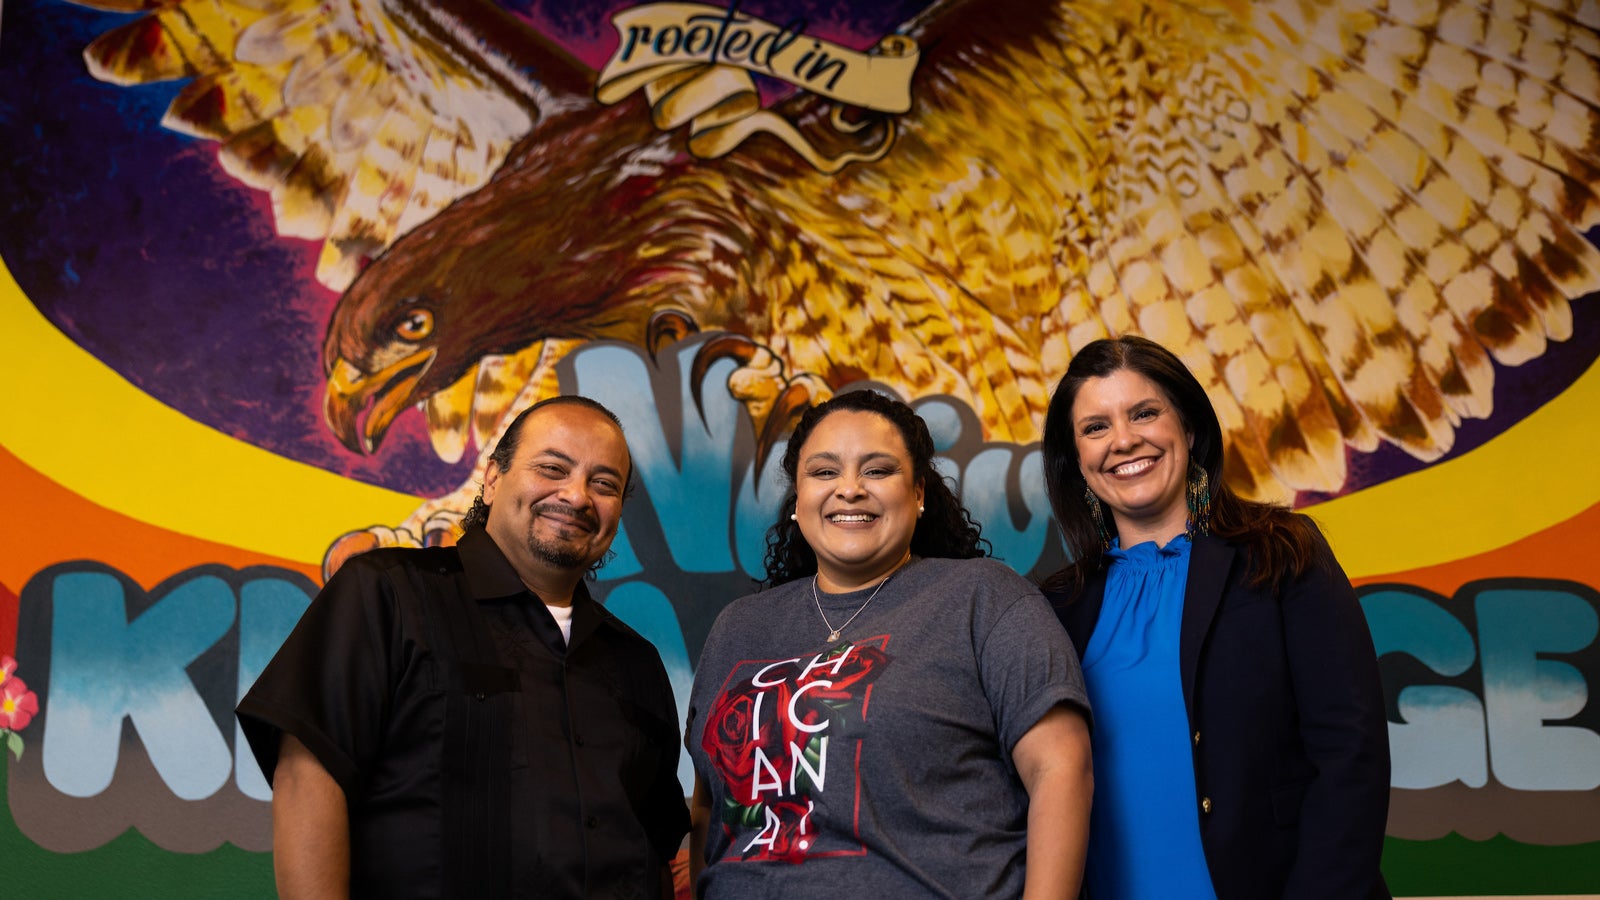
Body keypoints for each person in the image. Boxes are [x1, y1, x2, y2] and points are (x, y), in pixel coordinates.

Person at [236, 396, 690, 899]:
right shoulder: (387, 593)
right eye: (552, 468)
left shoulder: (637, 661)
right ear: (493, 479)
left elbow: (659, 844)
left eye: (604, 484)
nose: (578, 496)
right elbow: (307, 778)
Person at [685, 388, 1093, 898]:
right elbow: (708, 807)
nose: (849, 489)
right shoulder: (738, 627)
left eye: (877, 470)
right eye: (824, 472)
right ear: (798, 499)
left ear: (919, 493)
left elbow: (1062, 767)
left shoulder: (982, 597)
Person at [1039, 335, 1391, 900]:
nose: (1124, 439)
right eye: (1095, 427)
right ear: (1076, 460)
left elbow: (1351, 753)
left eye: (1145, 413)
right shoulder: (1056, 606)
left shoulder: (1282, 553)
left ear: (1190, 429)